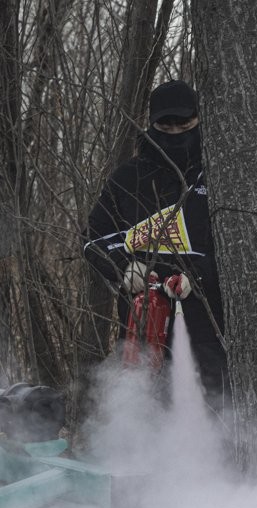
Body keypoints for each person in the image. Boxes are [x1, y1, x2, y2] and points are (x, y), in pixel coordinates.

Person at [82, 80, 228, 408]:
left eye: (184, 124)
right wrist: (123, 265)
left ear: (199, 120)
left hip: (208, 322)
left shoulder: (218, 176)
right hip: (142, 321)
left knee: (213, 404)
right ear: (152, 125)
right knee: (144, 405)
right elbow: (93, 238)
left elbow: (242, 246)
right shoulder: (128, 178)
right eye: (166, 125)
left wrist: (200, 274)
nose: (175, 133)